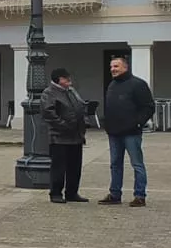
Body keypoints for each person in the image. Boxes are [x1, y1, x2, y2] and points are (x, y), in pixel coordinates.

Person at [100, 55, 154, 207]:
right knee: (115, 164)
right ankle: (115, 194)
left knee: (137, 164)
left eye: (116, 66)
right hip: (114, 132)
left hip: (131, 133)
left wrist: (138, 123)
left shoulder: (138, 84)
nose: (113, 70)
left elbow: (148, 107)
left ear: (125, 67)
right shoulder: (112, 85)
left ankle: (140, 195)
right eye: (111, 67)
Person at [42, 68, 90, 204]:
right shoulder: (49, 93)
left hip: (76, 136)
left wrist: (84, 122)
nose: (69, 81)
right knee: (59, 167)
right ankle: (56, 193)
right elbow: (48, 113)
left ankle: (72, 192)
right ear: (58, 79)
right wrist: (63, 125)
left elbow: (81, 106)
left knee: (75, 166)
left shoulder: (71, 91)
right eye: (66, 79)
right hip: (59, 137)